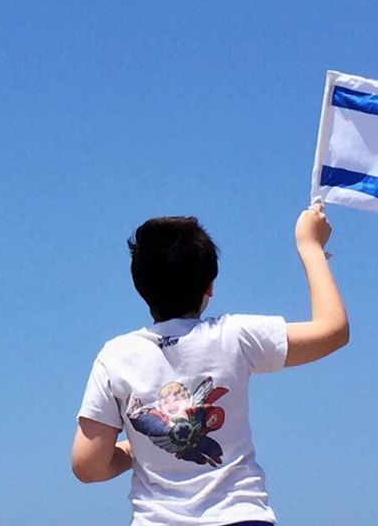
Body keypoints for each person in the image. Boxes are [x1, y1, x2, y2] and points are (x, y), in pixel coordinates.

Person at [72, 203, 348, 524]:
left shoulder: (116, 356)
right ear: (209, 288)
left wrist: (139, 449)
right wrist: (310, 246)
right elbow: (333, 331)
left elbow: (88, 465)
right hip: (240, 516)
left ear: (140, 286)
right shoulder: (233, 336)